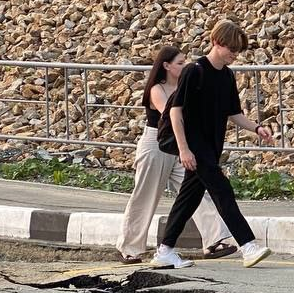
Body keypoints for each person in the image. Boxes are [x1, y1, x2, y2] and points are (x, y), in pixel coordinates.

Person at [151, 20, 275, 269]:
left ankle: (164, 250)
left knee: (189, 197)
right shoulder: (194, 70)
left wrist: (257, 128)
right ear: (216, 42)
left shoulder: (227, 76)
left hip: (211, 145)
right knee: (222, 190)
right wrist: (184, 149)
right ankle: (248, 245)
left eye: (238, 51)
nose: (234, 55)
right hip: (194, 145)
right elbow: (175, 112)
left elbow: (234, 113)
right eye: (231, 49)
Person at [117, 44, 237, 264]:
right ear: (166, 66)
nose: (185, 66)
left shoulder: (187, 84)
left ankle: (215, 239)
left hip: (184, 144)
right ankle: (130, 248)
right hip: (157, 144)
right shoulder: (157, 89)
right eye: (180, 63)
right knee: (146, 195)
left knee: (197, 190)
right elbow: (170, 115)